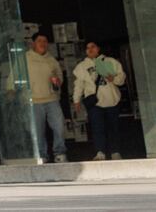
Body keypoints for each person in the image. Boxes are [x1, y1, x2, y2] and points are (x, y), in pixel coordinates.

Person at [72, 41, 126, 161]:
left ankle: (115, 151)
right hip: (94, 102)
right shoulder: (81, 67)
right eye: (87, 48)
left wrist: (114, 79)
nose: (90, 49)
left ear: (98, 48)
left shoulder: (111, 61)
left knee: (114, 127)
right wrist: (76, 100)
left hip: (112, 100)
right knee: (97, 128)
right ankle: (100, 152)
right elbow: (78, 84)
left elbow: (121, 78)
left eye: (93, 47)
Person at [26, 32, 67, 163]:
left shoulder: (52, 59)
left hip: (52, 99)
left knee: (59, 127)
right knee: (38, 131)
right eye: (39, 41)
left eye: (45, 41)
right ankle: (42, 155)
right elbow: (15, 75)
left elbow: (59, 76)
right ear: (33, 43)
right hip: (34, 100)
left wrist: (57, 81)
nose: (43, 43)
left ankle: (59, 153)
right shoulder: (25, 58)